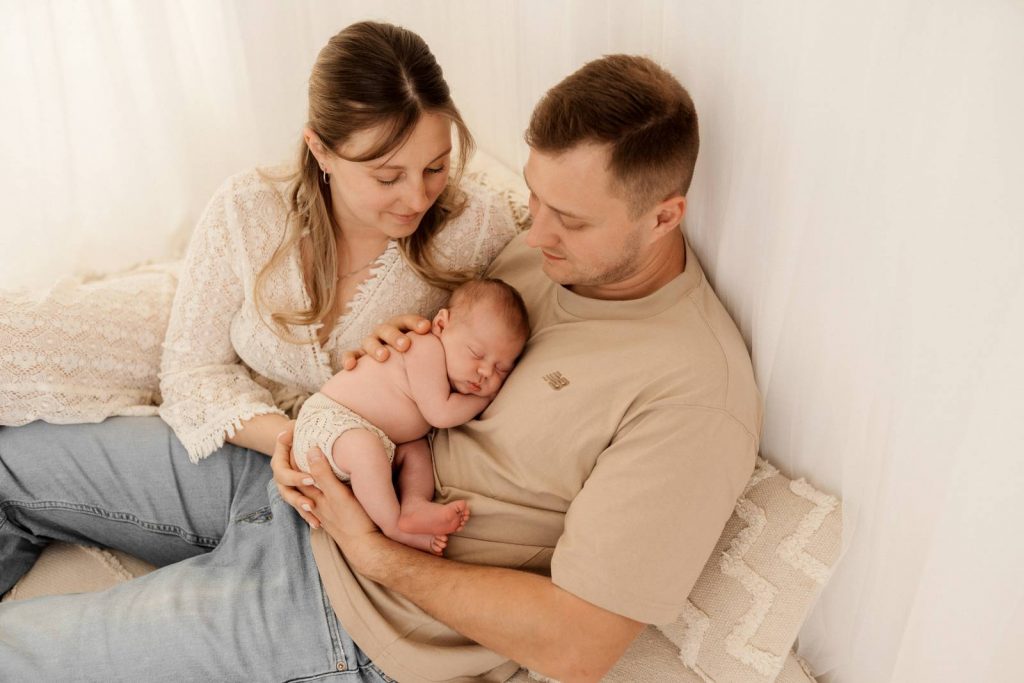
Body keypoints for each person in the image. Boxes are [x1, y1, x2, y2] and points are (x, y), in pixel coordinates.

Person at [0, 52, 760, 683]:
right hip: (308, 462)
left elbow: (579, 644)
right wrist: (396, 345)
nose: (539, 230)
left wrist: (374, 550)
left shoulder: (692, 392)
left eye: (572, 218)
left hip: (349, 600)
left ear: (665, 214)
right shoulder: (539, 255)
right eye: (535, 198)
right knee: (10, 460)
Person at [291, 278, 529, 555]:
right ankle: (394, 526)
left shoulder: (451, 370)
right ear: (441, 324)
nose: (486, 372)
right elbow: (440, 414)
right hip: (330, 422)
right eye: (476, 353)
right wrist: (485, 398)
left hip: (375, 438)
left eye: (502, 369)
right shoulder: (424, 346)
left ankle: (413, 505)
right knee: (365, 449)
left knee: (416, 449)